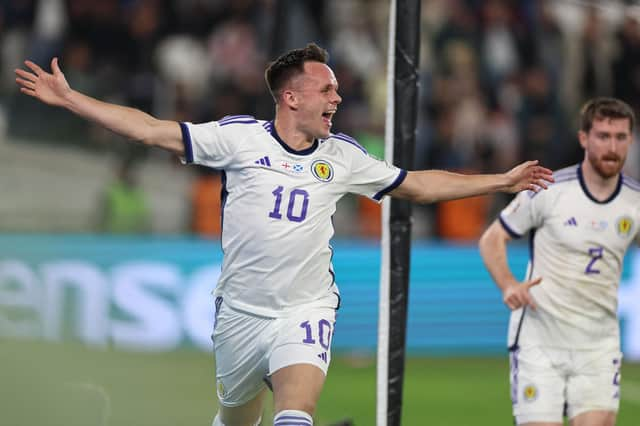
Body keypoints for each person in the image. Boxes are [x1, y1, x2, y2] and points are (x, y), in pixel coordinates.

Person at [15, 43, 552, 426]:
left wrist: (500, 180)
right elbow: (151, 129)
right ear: (292, 98)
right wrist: (72, 100)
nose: (338, 99)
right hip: (241, 315)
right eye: (328, 89)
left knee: (297, 412)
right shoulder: (239, 140)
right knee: (236, 416)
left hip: (307, 308)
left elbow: (418, 186)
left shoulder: (342, 156)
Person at [479, 97, 640, 426]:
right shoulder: (548, 190)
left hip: (598, 344)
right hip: (541, 341)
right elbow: (492, 238)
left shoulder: (634, 201)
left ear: (631, 141)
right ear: (584, 139)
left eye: (620, 137)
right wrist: (508, 284)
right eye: (603, 136)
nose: (612, 146)